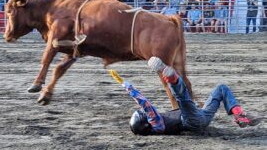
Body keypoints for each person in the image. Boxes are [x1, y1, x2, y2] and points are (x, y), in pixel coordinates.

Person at [109, 57, 262, 135]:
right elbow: (145, 103)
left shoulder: (155, 127)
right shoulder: (155, 123)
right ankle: (172, 78)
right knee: (183, 99)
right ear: (146, 123)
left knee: (221, 89)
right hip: (191, 120)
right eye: (143, 115)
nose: (145, 112)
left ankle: (239, 115)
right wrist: (126, 85)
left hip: (199, 117)